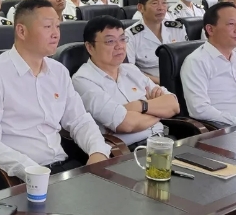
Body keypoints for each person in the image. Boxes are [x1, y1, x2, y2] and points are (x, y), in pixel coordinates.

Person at [0, 0, 110, 182]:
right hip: (19, 177)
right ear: (21, 31)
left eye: (57, 26)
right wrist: (31, 170)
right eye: (47, 26)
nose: (56, 34)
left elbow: (79, 120)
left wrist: (98, 151)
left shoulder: (58, 71)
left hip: (63, 168)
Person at [73, 16, 180, 148]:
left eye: (123, 39)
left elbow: (174, 105)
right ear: (90, 47)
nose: (119, 46)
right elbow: (126, 124)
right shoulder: (83, 80)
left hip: (163, 139)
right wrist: (159, 113)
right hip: (128, 150)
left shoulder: (131, 69)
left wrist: (139, 106)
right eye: (110, 41)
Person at [125, 0, 187, 84]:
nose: (161, 8)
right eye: (154, 3)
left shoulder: (177, 28)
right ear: (141, 7)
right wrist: (163, 82)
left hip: (181, 82)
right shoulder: (130, 35)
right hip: (150, 85)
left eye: (164, 2)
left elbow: (187, 60)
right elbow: (129, 70)